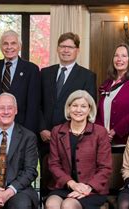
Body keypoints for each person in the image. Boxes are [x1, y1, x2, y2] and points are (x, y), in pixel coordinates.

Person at [39, 32, 96, 197]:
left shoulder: (87, 76)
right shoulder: (45, 73)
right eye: (62, 46)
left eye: (70, 47)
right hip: (44, 136)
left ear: (77, 50)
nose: (66, 50)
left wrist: (67, 132)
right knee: (46, 178)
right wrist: (42, 129)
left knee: (68, 176)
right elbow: (37, 103)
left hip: (71, 137)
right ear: (57, 49)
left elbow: (89, 108)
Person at [46, 90, 112, 209]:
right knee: (51, 204)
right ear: (69, 108)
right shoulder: (57, 131)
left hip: (92, 189)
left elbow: (105, 167)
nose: (78, 110)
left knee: (68, 205)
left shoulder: (100, 132)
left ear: (89, 110)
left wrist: (87, 187)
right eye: (74, 105)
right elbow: (53, 164)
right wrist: (72, 184)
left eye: (83, 106)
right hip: (64, 185)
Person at [95, 43, 129, 145]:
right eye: (116, 55)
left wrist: (115, 131)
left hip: (128, 141)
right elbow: (99, 112)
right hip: (104, 141)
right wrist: (101, 132)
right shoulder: (107, 83)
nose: (119, 59)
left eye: (124, 56)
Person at [0, 30, 41, 134]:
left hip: (21, 128)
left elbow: (33, 105)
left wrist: (28, 133)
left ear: (19, 46)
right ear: (0, 47)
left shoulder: (31, 69)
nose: (9, 47)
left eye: (13, 43)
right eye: (5, 44)